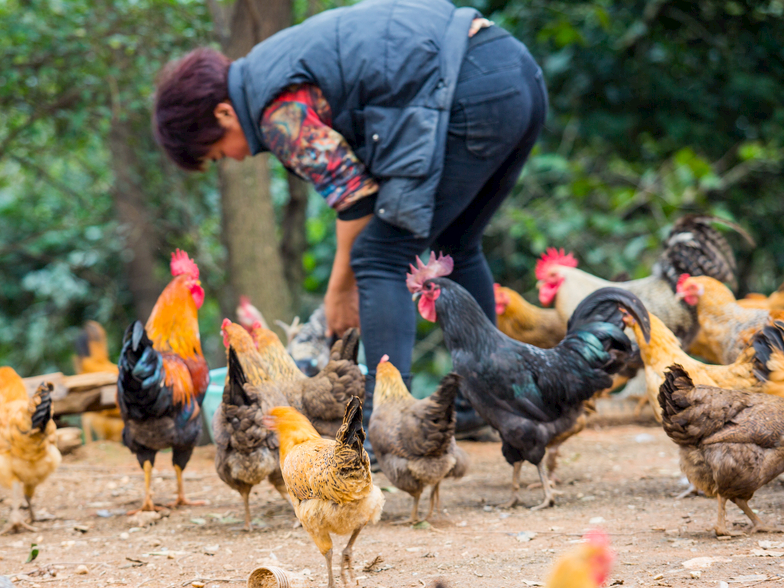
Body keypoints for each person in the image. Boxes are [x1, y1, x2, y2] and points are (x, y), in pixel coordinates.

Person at [152, 0, 547, 435]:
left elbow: (356, 199)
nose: (232, 160)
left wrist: (339, 290)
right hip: (515, 73)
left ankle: (385, 426)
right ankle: (491, 401)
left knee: (378, 257)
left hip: (471, 90)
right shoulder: (270, 67)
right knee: (455, 244)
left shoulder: (275, 113)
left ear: (223, 114)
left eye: (216, 153)